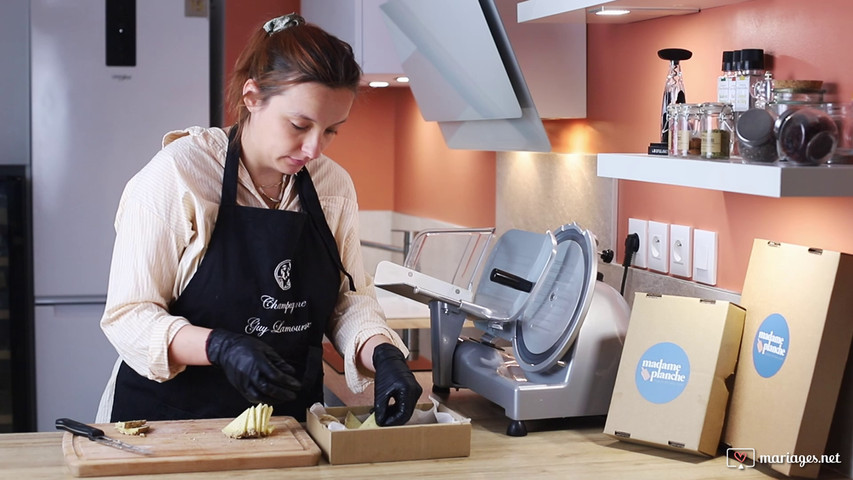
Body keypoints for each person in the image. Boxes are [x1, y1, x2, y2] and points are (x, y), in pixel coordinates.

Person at [96, 13, 422, 427]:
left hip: (286, 426)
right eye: (300, 125)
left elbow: (347, 299)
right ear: (252, 97)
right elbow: (129, 316)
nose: (314, 148)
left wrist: (382, 351)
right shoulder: (179, 176)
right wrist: (220, 347)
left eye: (332, 131)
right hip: (166, 424)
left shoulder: (331, 186)